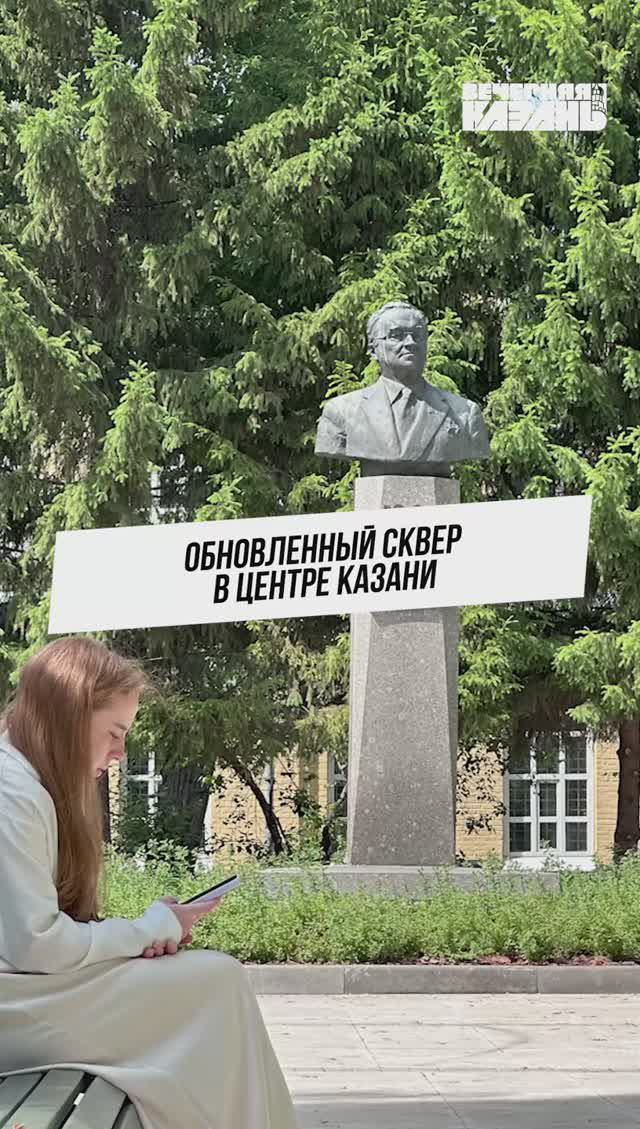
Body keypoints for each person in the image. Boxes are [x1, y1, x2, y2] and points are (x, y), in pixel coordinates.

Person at [0, 635, 299, 1129]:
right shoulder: (13, 793)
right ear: (71, 716)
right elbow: (38, 945)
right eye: (114, 733)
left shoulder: (23, 779)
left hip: (26, 996)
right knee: (216, 984)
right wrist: (147, 930)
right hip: (15, 1010)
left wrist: (143, 935)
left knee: (215, 982)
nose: (120, 752)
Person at [314, 300, 490, 476]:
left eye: (417, 335)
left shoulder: (465, 413)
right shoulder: (341, 411)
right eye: (396, 335)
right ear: (373, 349)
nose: (410, 342)